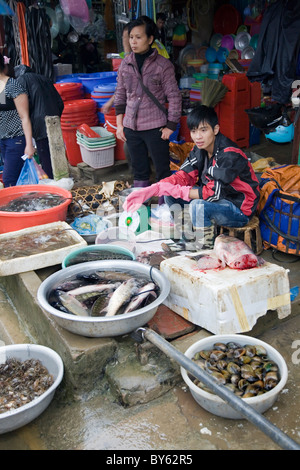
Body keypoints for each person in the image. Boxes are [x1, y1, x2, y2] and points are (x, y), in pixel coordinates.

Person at [123, 105, 260, 248]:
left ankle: (204, 248)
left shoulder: (229, 154)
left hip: (239, 209)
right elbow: (183, 176)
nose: (198, 136)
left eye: (203, 130)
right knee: (171, 196)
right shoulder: (199, 149)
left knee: (198, 205)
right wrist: (155, 188)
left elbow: (213, 193)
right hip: (217, 202)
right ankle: (187, 240)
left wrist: (176, 190)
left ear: (216, 129)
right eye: (194, 131)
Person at [114, 16, 181, 192]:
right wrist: (120, 125)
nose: (133, 42)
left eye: (138, 37)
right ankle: (140, 209)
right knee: (139, 172)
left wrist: (171, 126)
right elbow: (120, 95)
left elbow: (174, 96)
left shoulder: (162, 66)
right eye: (131, 37)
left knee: (162, 170)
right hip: (131, 127)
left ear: (150, 39)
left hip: (156, 128)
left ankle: (164, 207)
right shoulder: (125, 64)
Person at [14, 65, 64, 179]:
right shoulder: (44, 78)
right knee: (57, 152)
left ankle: (51, 183)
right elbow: (60, 102)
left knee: (45, 156)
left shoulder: (21, 81)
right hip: (54, 121)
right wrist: (56, 116)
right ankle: (61, 178)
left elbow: (25, 107)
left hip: (39, 124)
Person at [0, 54, 35, 187]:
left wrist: (29, 144)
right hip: (3, 139)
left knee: (9, 180)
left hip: (16, 139)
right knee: (11, 178)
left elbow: (24, 117)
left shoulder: (12, 85)